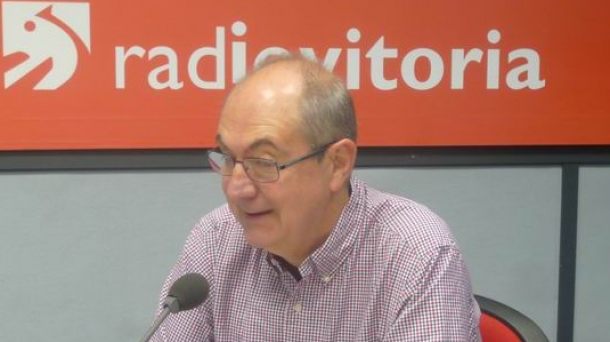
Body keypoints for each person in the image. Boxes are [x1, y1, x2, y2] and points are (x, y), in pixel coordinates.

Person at [151, 54, 481, 341]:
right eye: (227, 157)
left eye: (263, 163)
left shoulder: (416, 254)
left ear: (337, 164)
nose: (237, 188)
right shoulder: (214, 241)